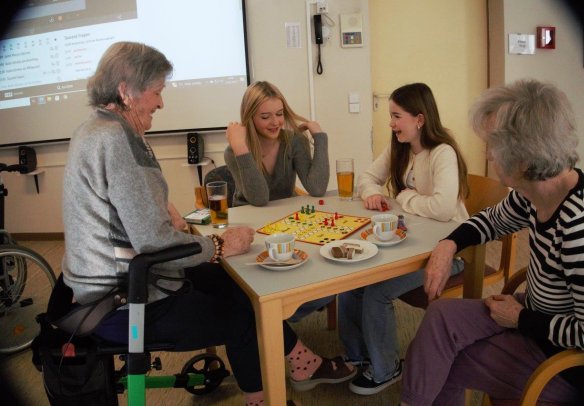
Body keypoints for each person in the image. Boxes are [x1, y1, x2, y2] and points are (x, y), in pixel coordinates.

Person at [61, 42, 353, 406]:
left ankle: (301, 363)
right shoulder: (118, 140)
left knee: (237, 284)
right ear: (125, 91)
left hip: (106, 285)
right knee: (245, 313)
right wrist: (217, 245)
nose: (161, 103)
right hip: (126, 301)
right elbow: (154, 242)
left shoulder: (94, 129)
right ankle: (271, 392)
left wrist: (162, 210)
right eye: (157, 92)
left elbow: (122, 210)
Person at [400, 79, 584, 405]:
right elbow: (490, 221)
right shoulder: (537, 191)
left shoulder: (583, 228)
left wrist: (520, 319)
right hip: (536, 310)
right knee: (440, 316)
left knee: (450, 358)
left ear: (525, 157)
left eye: (493, 147)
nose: (487, 154)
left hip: (563, 362)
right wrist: (447, 245)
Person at [338, 82, 469, 395]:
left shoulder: (443, 153)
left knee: (377, 291)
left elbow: (443, 209)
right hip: (412, 244)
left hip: (448, 254)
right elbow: (367, 179)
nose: (391, 123)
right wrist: (372, 194)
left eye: (397, 116)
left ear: (419, 119)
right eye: (391, 116)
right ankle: (358, 354)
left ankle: (386, 369)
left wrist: (404, 197)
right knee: (352, 282)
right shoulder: (400, 147)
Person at [224, 81, 336, 323]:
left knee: (326, 278)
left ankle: (278, 318)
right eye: (265, 117)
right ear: (250, 118)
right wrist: (240, 147)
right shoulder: (235, 150)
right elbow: (259, 198)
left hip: (285, 221)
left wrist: (320, 137)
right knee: (258, 285)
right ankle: (270, 319)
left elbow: (317, 187)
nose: (275, 122)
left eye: (279, 114)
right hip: (250, 224)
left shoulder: (293, 141)